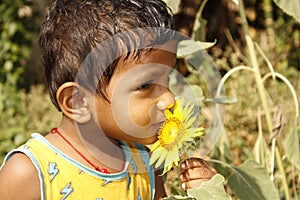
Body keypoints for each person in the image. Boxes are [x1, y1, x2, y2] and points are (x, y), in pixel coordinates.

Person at [0, 0, 217, 199]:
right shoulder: (28, 175)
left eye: (167, 78)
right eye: (144, 85)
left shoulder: (146, 161)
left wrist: (206, 191)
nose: (169, 99)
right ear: (78, 102)